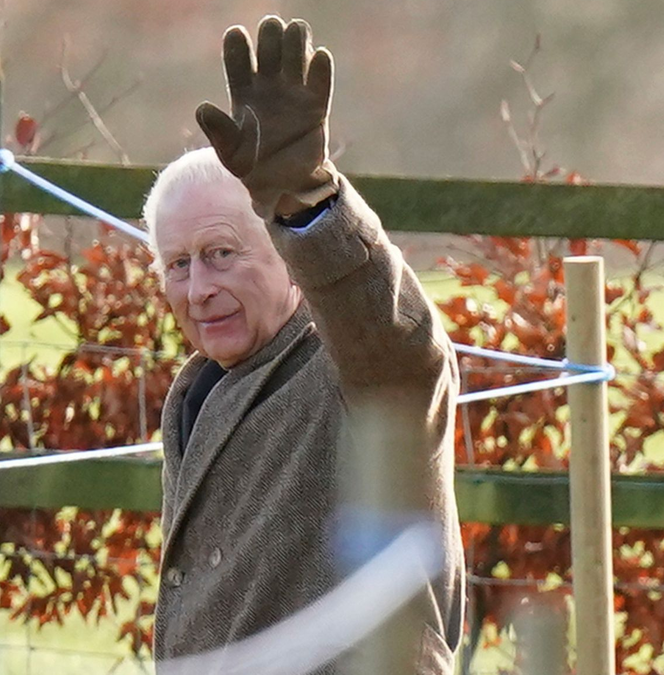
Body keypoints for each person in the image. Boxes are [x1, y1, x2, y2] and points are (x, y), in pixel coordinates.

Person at [143, 16, 464, 674]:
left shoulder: (349, 370)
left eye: (222, 253)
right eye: (178, 264)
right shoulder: (199, 392)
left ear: (289, 257)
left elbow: (402, 348)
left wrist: (307, 203)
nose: (198, 287)